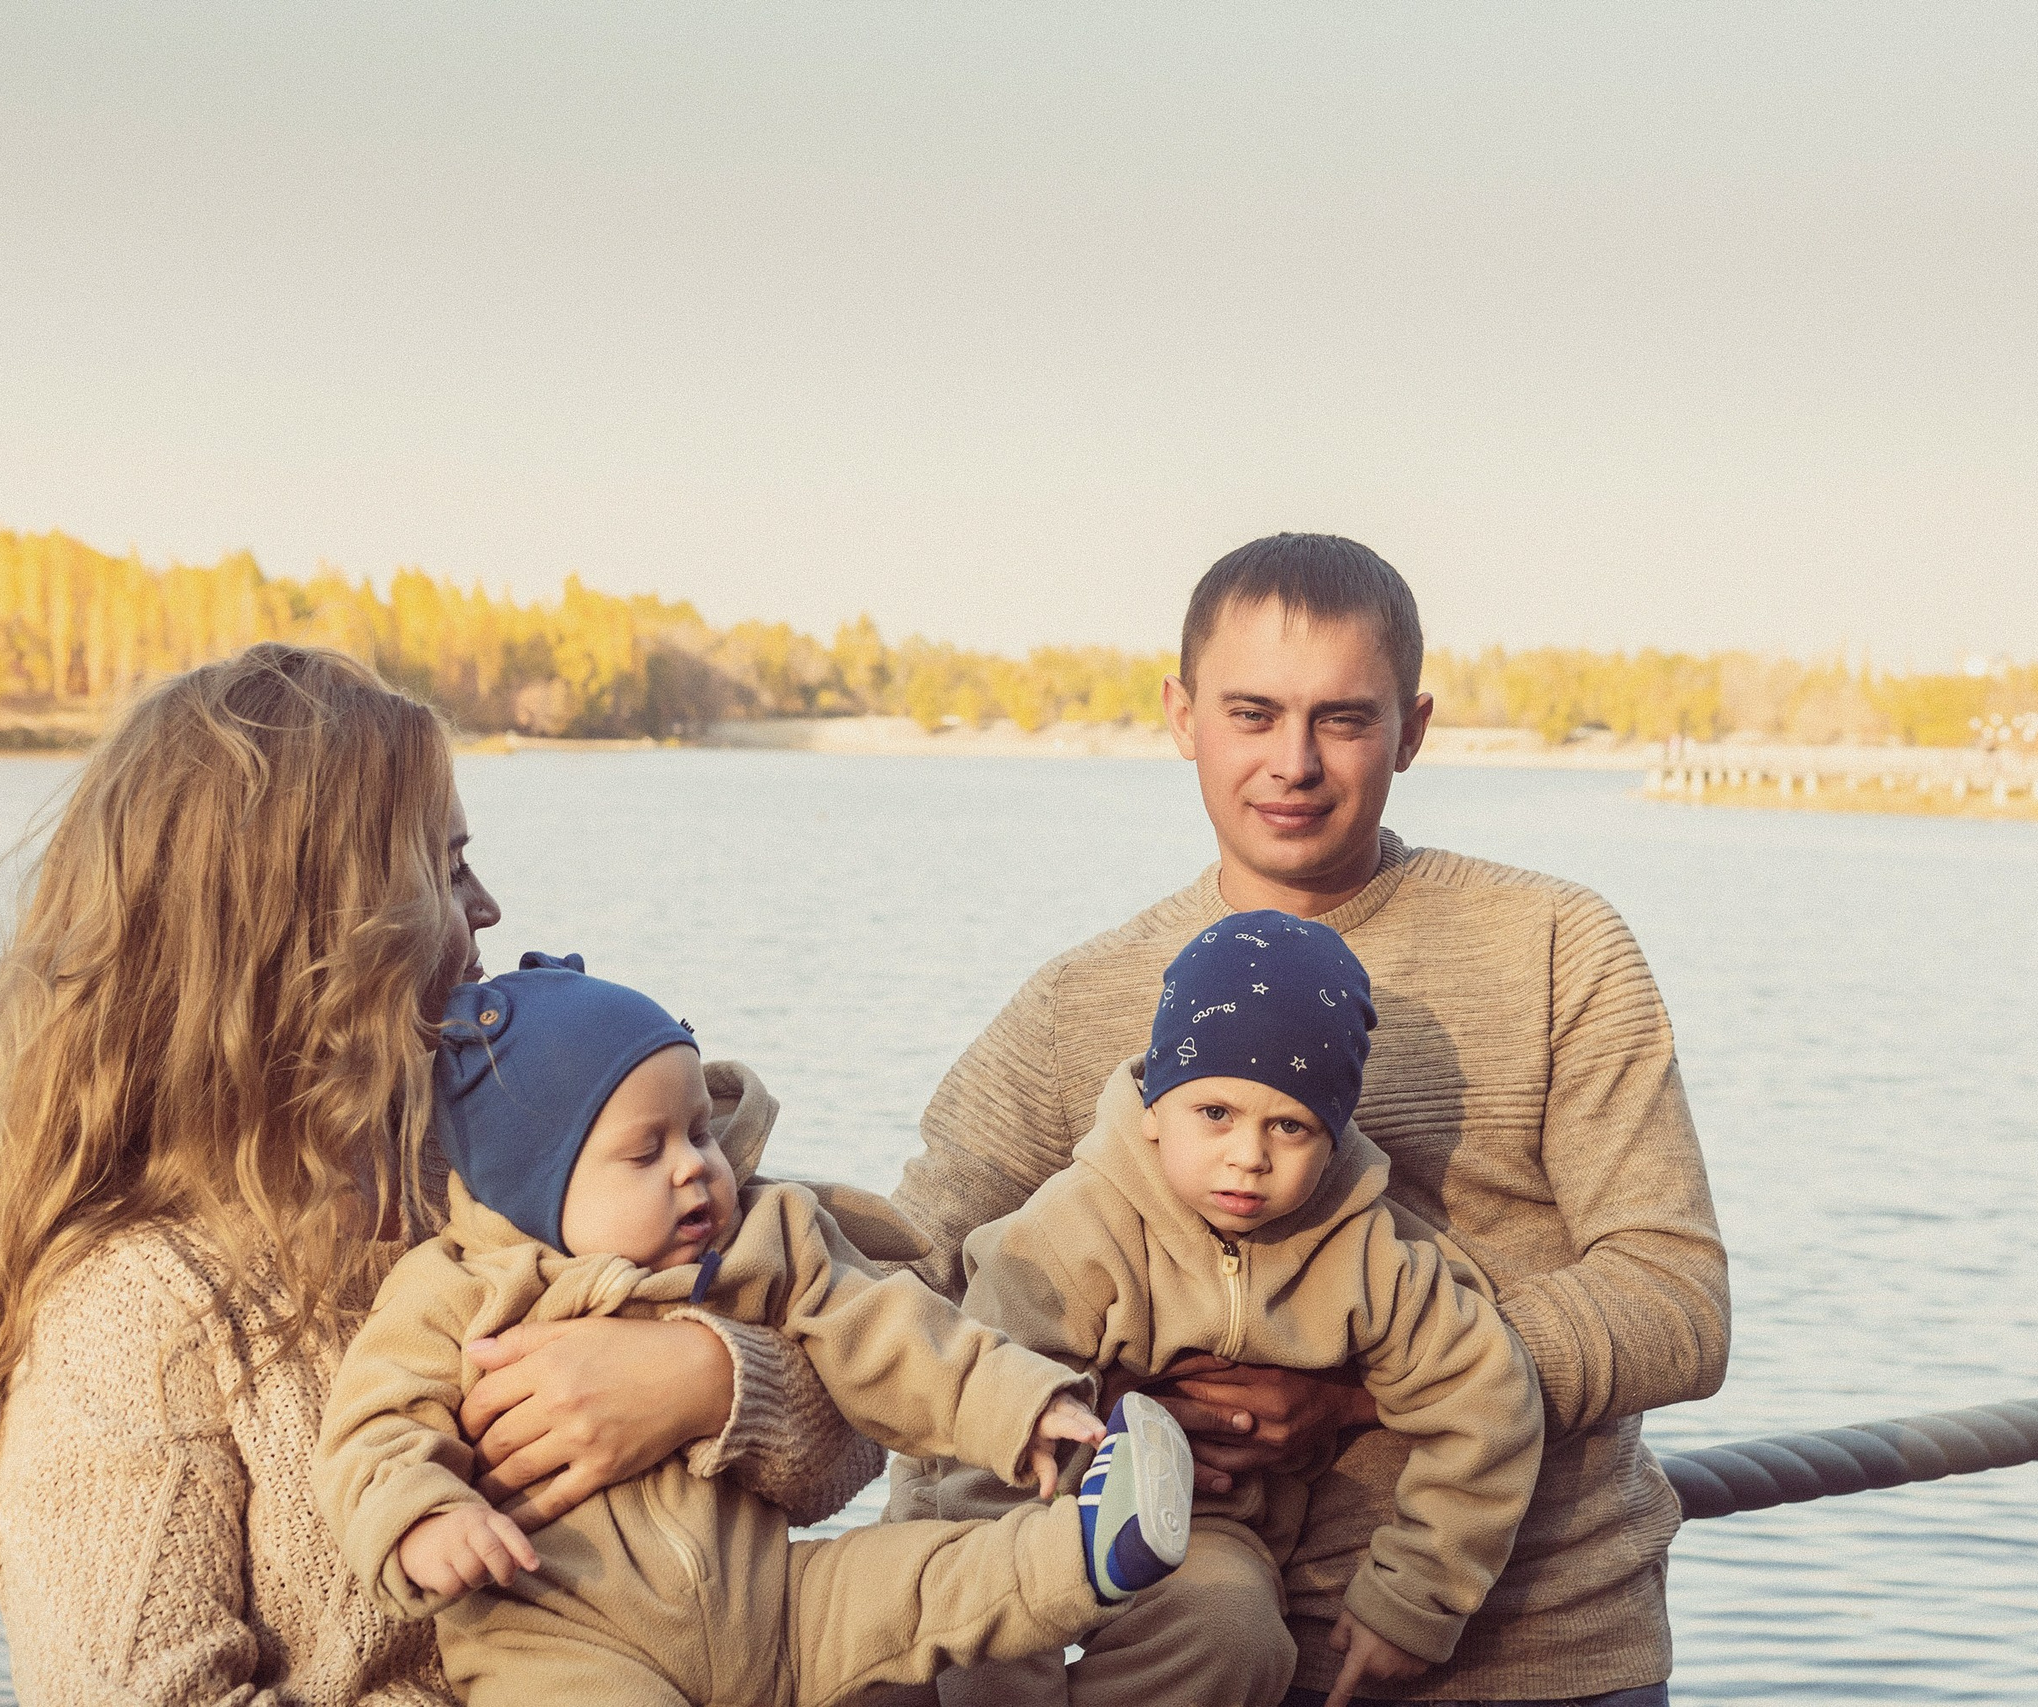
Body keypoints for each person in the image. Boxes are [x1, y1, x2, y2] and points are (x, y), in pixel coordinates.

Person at [0, 643, 883, 1706]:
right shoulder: (137, 1318)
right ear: (316, 927)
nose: (490, 907)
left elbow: (865, 1408)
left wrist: (706, 1382)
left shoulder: (504, 1150)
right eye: (448, 868)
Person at [890, 535, 1731, 1705]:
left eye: (1341, 719)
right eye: (1252, 714)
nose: (1293, 763)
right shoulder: (1078, 1002)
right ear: (1182, 716)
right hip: (1201, 1656)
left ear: (1411, 730)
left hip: (1540, 1650)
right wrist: (708, 1378)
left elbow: (1675, 1299)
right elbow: (914, 1280)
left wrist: (1362, 1388)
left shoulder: (1555, 946)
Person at [316, 953, 1198, 1706]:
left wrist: (1020, 1405)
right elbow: (377, 1428)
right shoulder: (451, 1291)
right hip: (561, 1634)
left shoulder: (756, 1240)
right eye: (646, 1150)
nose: (695, 1168)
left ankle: (1090, 1549)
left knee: (922, 1576)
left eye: (700, 1131)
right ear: (531, 1184)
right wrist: (426, 1520)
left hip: (771, 1605)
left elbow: (887, 1329)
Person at [906, 914, 1544, 1707]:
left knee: (1235, 1631)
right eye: (1215, 1113)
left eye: (1290, 1125)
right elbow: (984, 1444)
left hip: (1195, 1522)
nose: (1249, 1156)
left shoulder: (1368, 1251)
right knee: (937, 1654)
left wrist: (1414, 1599)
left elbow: (1486, 1396)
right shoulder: (1068, 1233)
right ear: (1154, 1105)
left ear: (1334, 1135)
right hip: (994, 1509)